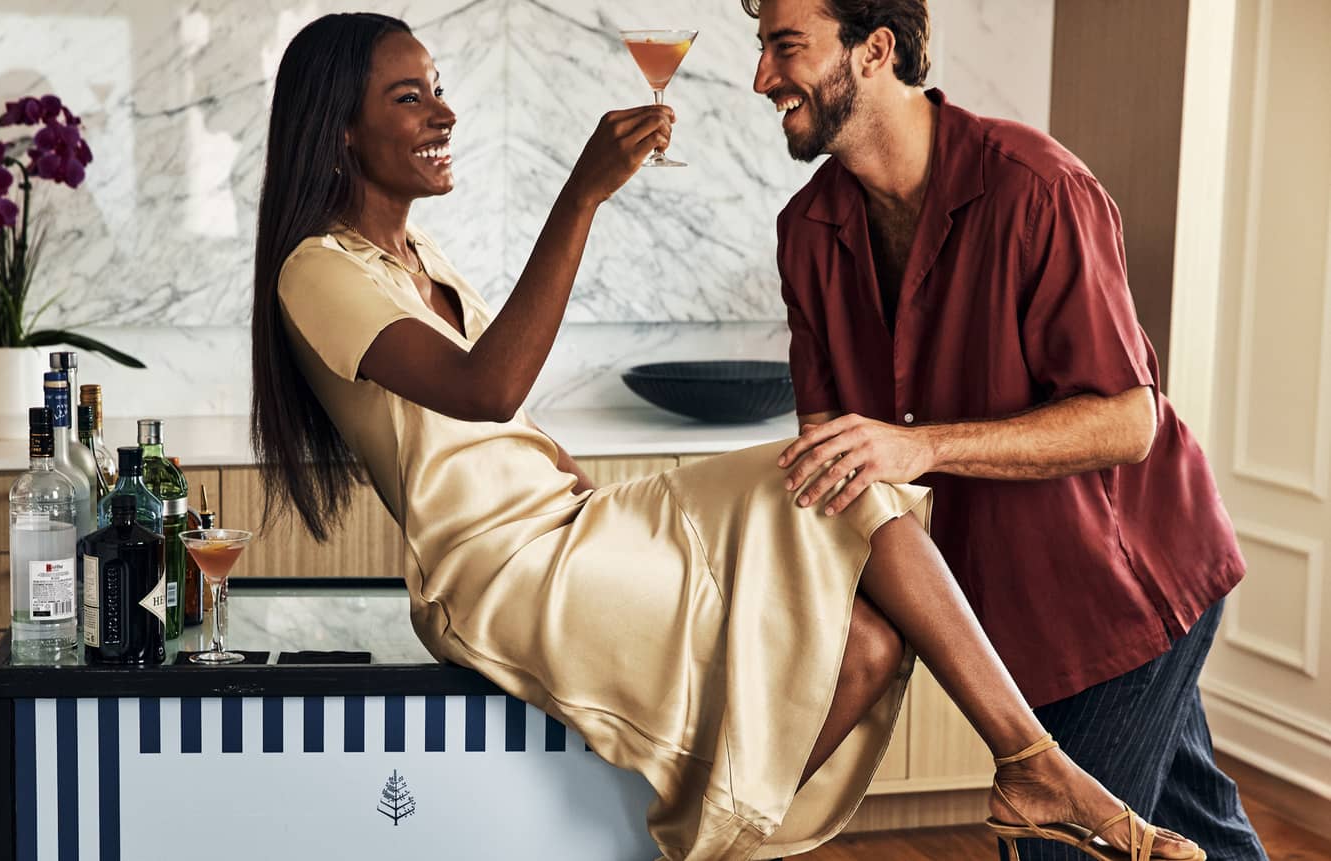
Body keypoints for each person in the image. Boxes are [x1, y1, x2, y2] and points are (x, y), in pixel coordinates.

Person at [249, 12, 1203, 861]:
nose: (443, 114)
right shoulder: (316, 271)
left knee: (867, 632)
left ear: (874, 51)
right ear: (338, 128)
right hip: (497, 570)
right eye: (410, 97)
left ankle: (738, 831)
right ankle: (1018, 767)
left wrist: (585, 488)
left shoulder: (423, 258)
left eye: (441, 90)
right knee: (848, 474)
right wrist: (582, 195)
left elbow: (502, 432)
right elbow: (487, 388)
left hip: (572, 518)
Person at [747, 0, 1265, 859]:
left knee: (1059, 846)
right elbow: (833, 458)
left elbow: (1129, 419)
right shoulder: (805, 234)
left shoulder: (1039, 188)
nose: (762, 77)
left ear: (875, 50)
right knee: (1195, 827)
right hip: (1005, 612)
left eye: (785, 47)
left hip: (1125, 589)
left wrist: (926, 444)